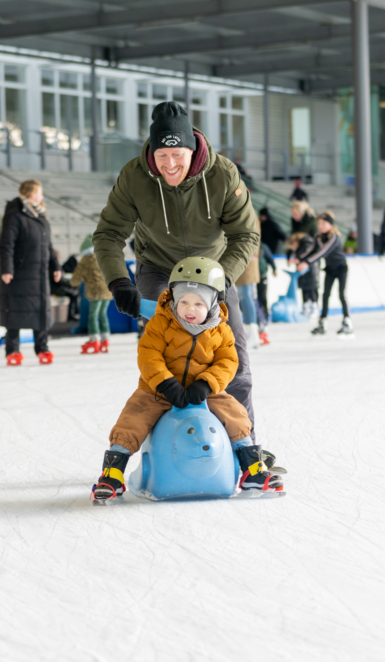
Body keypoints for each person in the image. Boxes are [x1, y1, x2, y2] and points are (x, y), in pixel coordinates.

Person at [93, 101, 264, 444]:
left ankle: (244, 445)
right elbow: (109, 234)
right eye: (162, 157)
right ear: (152, 153)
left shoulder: (223, 174)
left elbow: (246, 234)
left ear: (192, 148)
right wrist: (119, 282)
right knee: (166, 355)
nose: (170, 165)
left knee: (235, 362)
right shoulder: (134, 177)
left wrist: (222, 279)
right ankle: (170, 443)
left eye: (177, 155)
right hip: (158, 269)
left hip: (214, 274)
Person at [90, 257, 282, 503]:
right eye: (183, 302)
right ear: (173, 299)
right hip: (157, 390)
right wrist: (165, 383)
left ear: (213, 303)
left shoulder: (221, 330)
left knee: (235, 412)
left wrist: (206, 383)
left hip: (205, 392)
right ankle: (112, 474)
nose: (189, 309)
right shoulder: (161, 322)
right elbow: (149, 355)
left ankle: (253, 470)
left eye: (198, 303)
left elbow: (228, 362)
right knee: (133, 417)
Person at [0, 179, 61, 366]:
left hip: (40, 274)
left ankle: (42, 348)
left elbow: (48, 246)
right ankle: (12, 350)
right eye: (40, 193)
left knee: (41, 311)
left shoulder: (41, 217)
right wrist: (7, 269)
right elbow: (7, 244)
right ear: (32, 194)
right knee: (16, 311)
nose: (42, 197)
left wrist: (56, 266)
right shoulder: (15, 215)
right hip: (20, 273)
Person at [291, 212, 351, 335]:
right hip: (330, 269)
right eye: (319, 223)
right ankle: (323, 322)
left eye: (323, 223)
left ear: (330, 224)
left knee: (341, 295)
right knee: (325, 295)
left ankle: (347, 321)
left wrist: (306, 262)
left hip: (341, 268)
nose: (320, 226)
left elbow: (323, 252)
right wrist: (299, 258)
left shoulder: (334, 236)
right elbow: (311, 250)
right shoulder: (318, 237)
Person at [69, 234, 113, 354]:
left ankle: (94, 340)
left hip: (94, 292)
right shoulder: (103, 257)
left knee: (93, 315)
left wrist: (71, 281)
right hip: (106, 291)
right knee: (103, 314)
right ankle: (105, 340)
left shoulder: (86, 260)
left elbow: (75, 280)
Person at [290, 200, 319, 316]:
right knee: (302, 280)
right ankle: (306, 304)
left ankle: (314, 304)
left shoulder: (312, 223)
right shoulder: (296, 223)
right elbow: (293, 240)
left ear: (302, 212)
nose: (293, 216)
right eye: (292, 213)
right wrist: (291, 254)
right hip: (300, 256)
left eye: (295, 213)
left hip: (311, 256)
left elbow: (316, 241)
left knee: (312, 279)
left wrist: (309, 257)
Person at [256, 240, 277, 346]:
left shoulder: (263, 246)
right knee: (253, 299)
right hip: (251, 278)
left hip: (262, 275)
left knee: (262, 298)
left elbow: (270, 258)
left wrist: (274, 268)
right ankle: (257, 321)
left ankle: (264, 319)